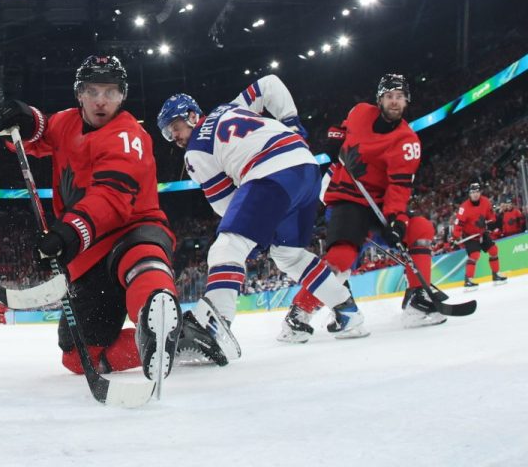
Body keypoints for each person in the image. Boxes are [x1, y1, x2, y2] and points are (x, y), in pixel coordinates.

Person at [0, 55, 182, 382]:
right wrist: (24, 120)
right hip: (87, 255)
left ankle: (157, 317)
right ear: (79, 93)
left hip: (132, 230)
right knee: (77, 357)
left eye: (110, 92)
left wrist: (67, 234)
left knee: (142, 262)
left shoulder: (129, 136)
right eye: (92, 91)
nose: (101, 101)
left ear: (122, 96)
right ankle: (174, 341)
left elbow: (111, 198)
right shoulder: (67, 121)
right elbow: (40, 135)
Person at [157, 91, 367, 363]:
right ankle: (347, 312)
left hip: (269, 171)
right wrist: (292, 124)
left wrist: (255, 232)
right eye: (167, 133)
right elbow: (269, 85)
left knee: (227, 246)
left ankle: (213, 326)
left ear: (192, 116)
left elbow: (225, 204)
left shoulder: (195, 151)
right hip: (306, 167)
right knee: (288, 255)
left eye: (174, 127)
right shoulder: (230, 105)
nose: (174, 136)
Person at [280, 74, 446, 340]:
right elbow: (341, 129)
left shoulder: (407, 141)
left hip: (380, 206)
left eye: (400, 97)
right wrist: (335, 140)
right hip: (347, 199)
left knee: (421, 228)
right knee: (342, 258)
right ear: (379, 99)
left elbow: (399, 187)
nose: (395, 102)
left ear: (407, 101)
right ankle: (298, 315)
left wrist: (396, 219)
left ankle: (417, 302)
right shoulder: (360, 112)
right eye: (389, 97)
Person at [452, 183, 507, 288]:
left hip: (482, 232)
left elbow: (491, 216)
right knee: (474, 255)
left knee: (494, 251)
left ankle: (496, 274)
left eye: (477, 192)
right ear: (469, 194)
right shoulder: (464, 207)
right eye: (472, 192)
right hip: (470, 235)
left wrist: (488, 222)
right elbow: (458, 223)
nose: (475, 194)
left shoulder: (486, 201)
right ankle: (468, 279)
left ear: (480, 192)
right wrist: (456, 235)